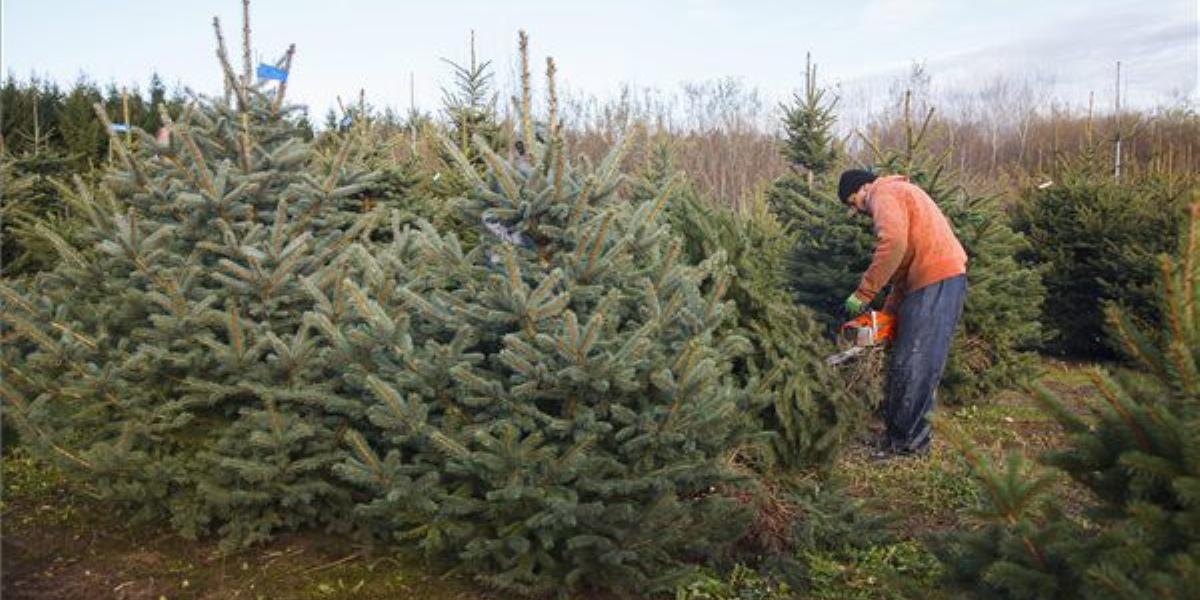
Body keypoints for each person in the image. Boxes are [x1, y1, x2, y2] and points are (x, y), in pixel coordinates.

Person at [838, 169, 968, 458]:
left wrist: (864, 293)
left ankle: (910, 446)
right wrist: (884, 316)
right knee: (905, 360)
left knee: (916, 363)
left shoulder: (883, 193)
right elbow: (902, 268)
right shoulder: (899, 194)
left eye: (854, 200)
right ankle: (897, 437)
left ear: (864, 187)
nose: (857, 209)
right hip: (931, 281)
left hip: (938, 279)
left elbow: (893, 245)